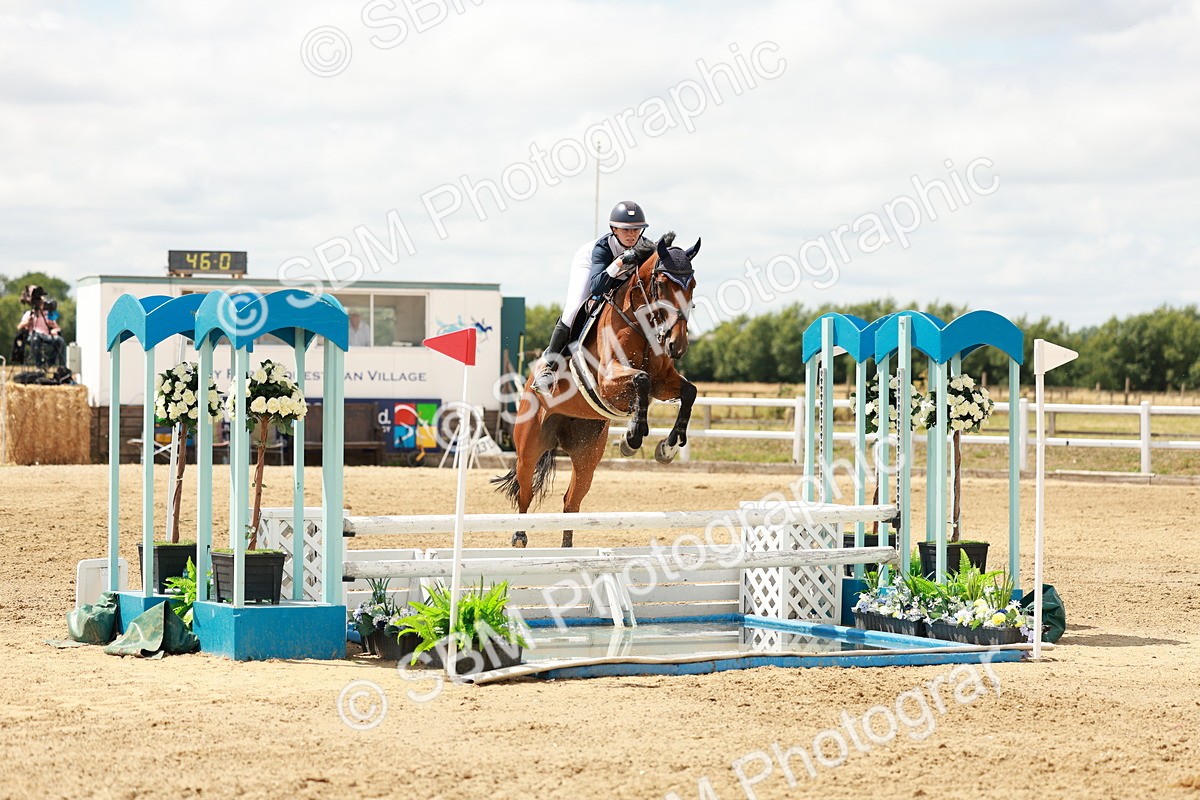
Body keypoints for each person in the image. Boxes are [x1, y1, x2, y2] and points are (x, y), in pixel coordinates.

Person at [532, 200, 656, 395]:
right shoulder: (601, 249)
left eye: (636, 230)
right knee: (574, 308)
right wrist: (621, 261)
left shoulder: (646, 247)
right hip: (591, 267)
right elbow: (597, 287)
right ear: (614, 229)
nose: (632, 235)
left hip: (618, 281)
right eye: (626, 230)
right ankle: (549, 364)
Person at [16, 286, 65, 367]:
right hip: (32, 336)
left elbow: (57, 327)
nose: (40, 305)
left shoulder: (48, 315)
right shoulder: (29, 314)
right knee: (36, 338)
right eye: (39, 303)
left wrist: (54, 330)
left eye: (42, 303)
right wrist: (28, 322)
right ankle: (39, 365)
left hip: (46, 336)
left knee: (59, 340)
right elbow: (19, 327)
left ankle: (49, 363)